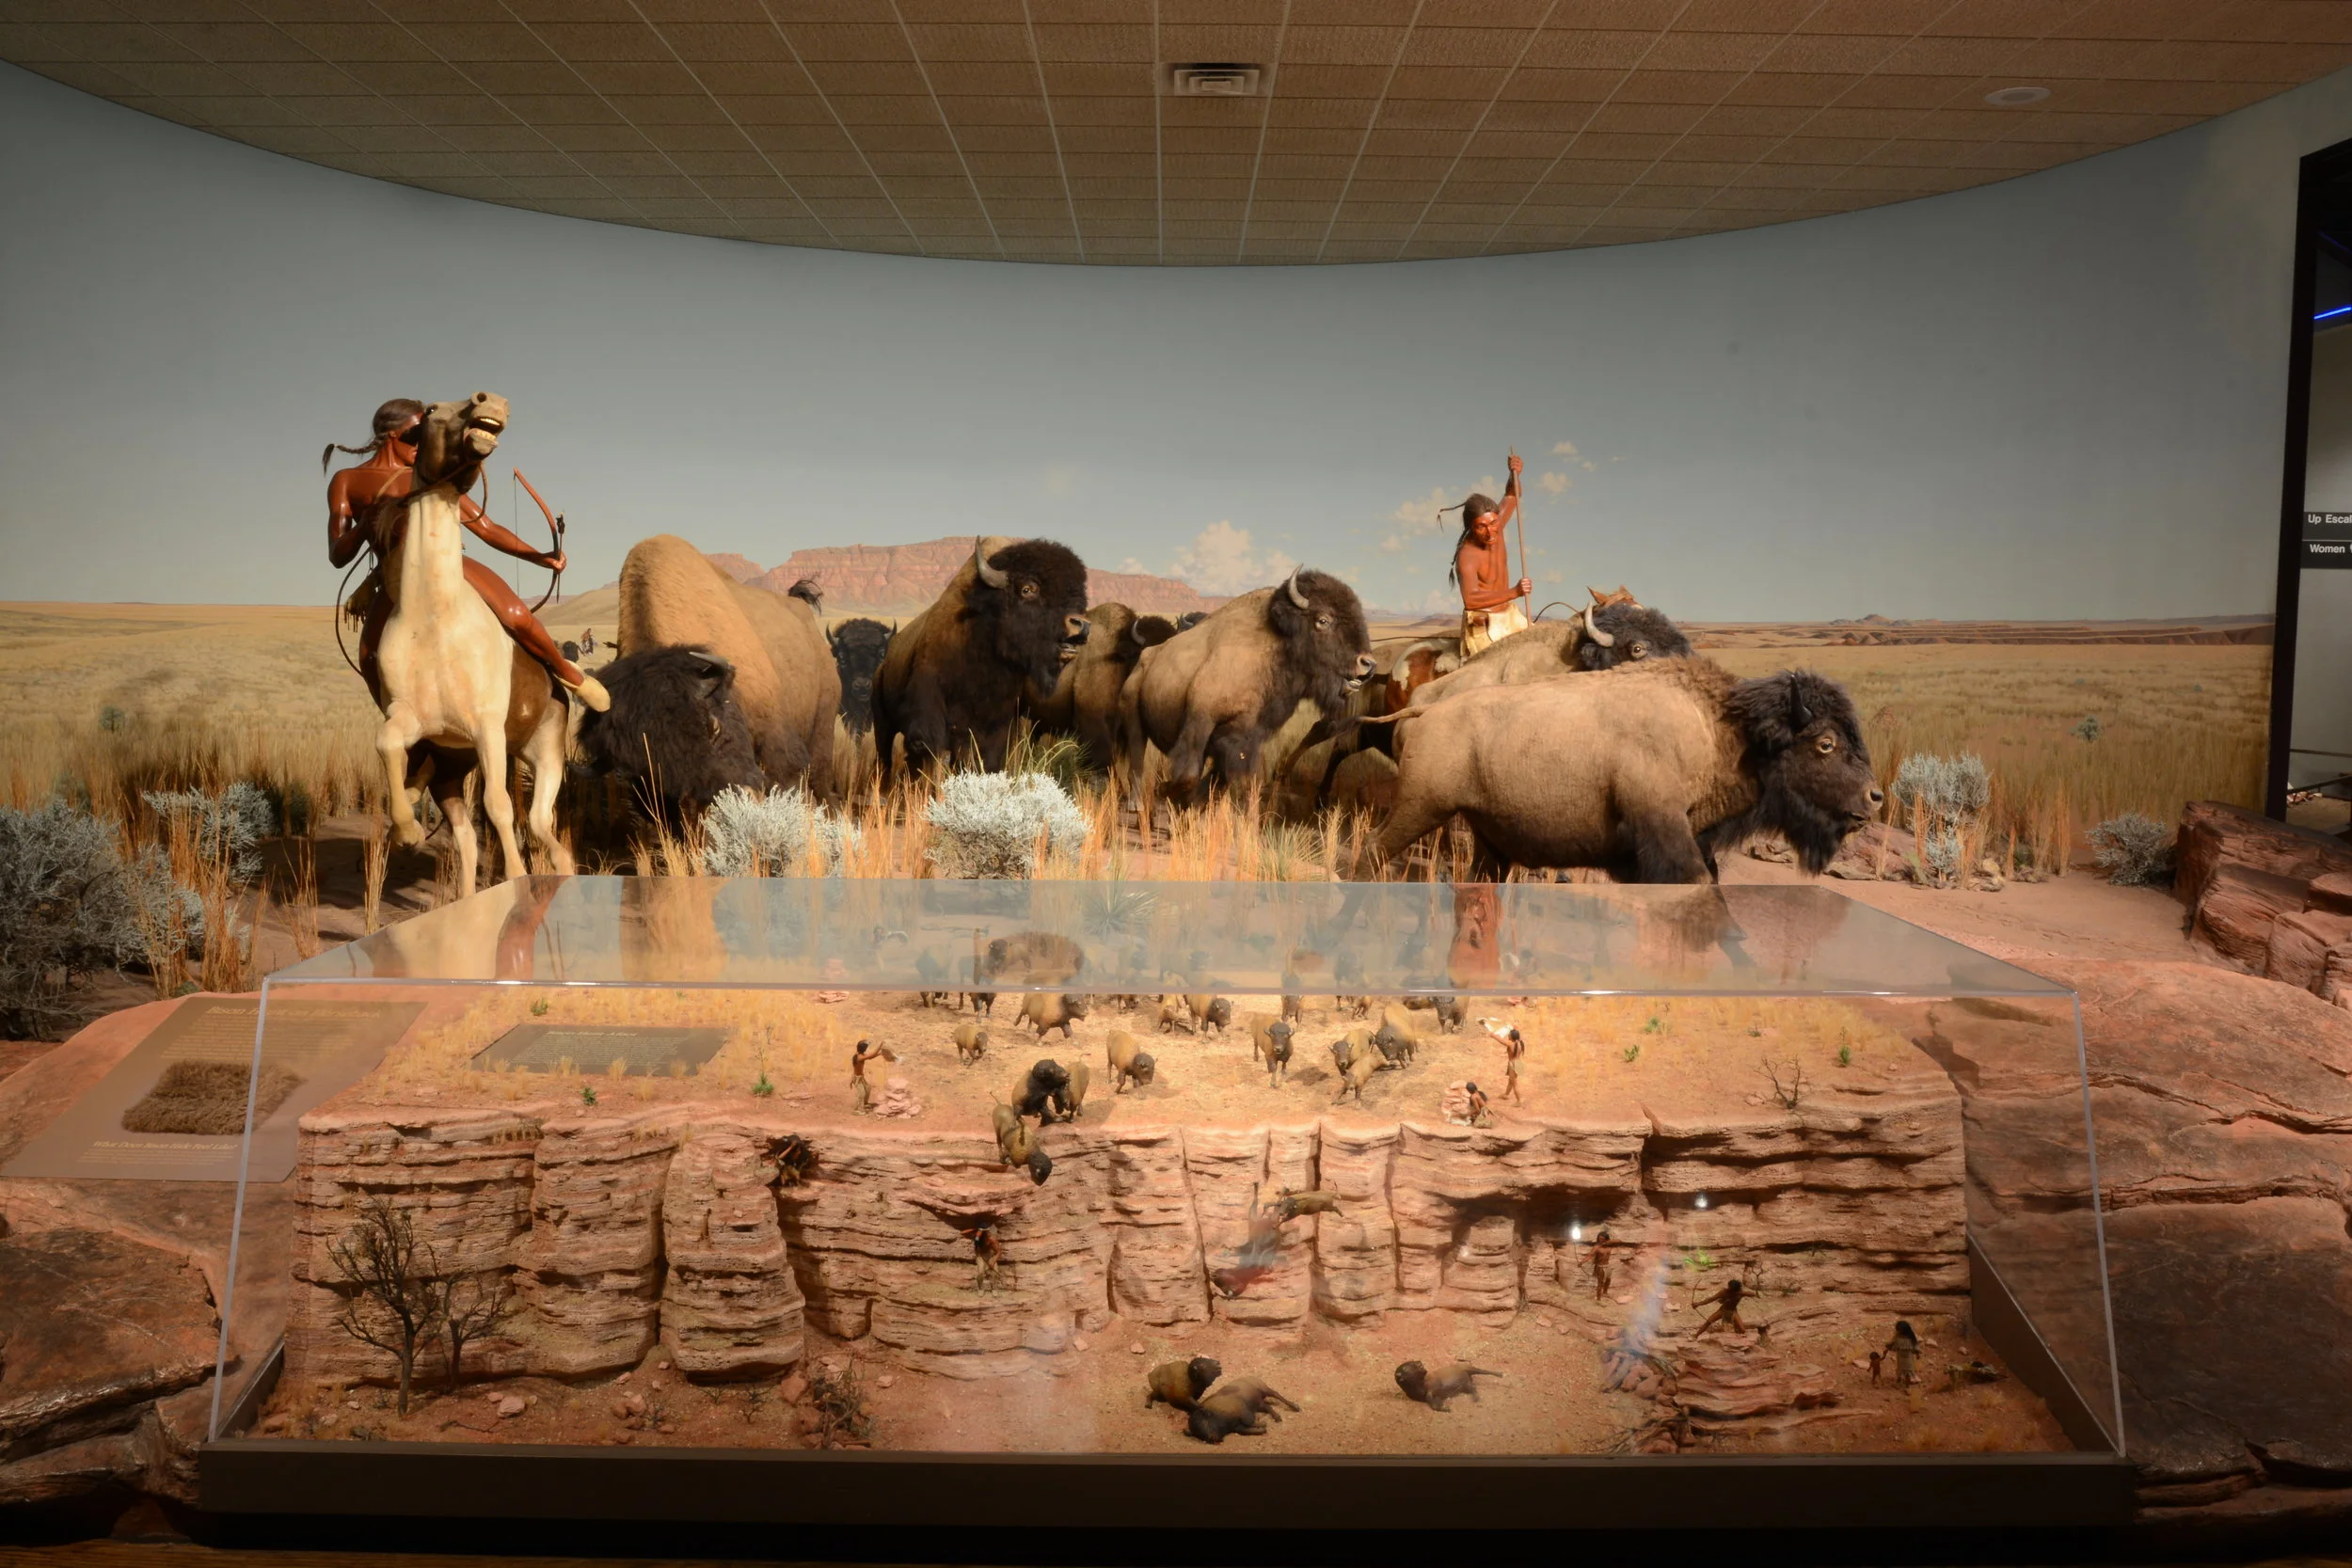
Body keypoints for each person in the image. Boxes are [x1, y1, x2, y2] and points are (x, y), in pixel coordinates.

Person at [325, 397, 607, 710]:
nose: (423, 445)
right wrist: (365, 525)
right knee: (369, 656)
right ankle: (401, 718)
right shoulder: (347, 481)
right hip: (394, 578)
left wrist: (539, 556)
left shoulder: (428, 477)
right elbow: (338, 554)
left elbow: (486, 527)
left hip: (446, 565)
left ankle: (567, 672)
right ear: (393, 434)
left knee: (516, 616)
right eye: (417, 435)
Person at [1448, 451, 1532, 657]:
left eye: (1493, 523)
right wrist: (1515, 592)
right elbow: (1471, 600)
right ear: (1471, 528)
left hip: (1509, 614)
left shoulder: (1497, 525)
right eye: (1481, 527)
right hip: (1483, 623)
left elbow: (1512, 495)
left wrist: (1514, 474)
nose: (1490, 531)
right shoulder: (1467, 556)